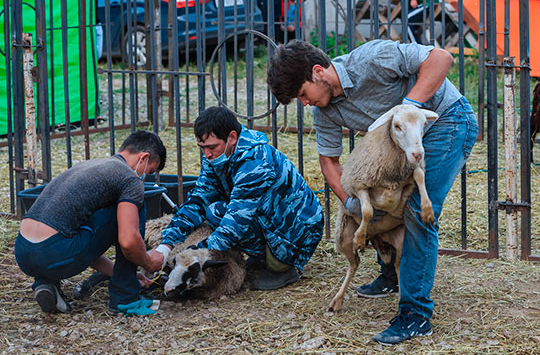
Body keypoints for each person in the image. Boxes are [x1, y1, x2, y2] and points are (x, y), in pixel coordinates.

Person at [267, 39, 478, 345]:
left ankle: (415, 316)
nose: (304, 103)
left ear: (317, 73)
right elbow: (329, 163)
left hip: (447, 121)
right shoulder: (325, 112)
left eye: (302, 94)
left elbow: (441, 58)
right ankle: (392, 276)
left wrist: (410, 106)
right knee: (379, 200)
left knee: (417, 211)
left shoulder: (373, 58)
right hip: (403, 145)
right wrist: (356, 207)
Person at [155, 106, 324, 291]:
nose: (207, 154)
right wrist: (166, 246)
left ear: (232, 138)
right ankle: (265, 255)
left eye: (212, 147)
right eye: (202, 148)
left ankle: (286, 265)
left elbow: (235, 222)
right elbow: (199, 199)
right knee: (213, 210)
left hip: (301, 230)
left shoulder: (255, 162)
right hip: (276, 219)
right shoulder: (215, 156)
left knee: (222, 213)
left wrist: (191, 253)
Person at [15, 131, 167, 315]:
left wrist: (118, 272)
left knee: (86, 222)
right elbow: (128, 241)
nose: (145, 177)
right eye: (149, 172)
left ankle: (46, 283)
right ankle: (126, 298)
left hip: (24, 253)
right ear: (144, 157)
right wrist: (148, 261)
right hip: (54, 252)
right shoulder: (130, 179)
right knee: (134, 207)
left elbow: (87, 242)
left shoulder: (91, 166)